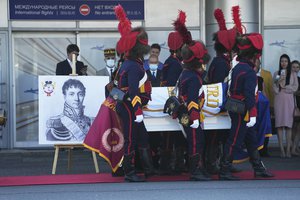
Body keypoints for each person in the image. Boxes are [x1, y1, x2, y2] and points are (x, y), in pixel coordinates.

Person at [219, 33, 273, 180]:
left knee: (251, 139)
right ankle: (224, 170)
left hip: (237, 107)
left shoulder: (238, 67)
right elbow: (249, 95)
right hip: (243, 110)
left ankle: (258, 167)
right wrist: (253, 113)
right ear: (254, 55)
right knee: (234, 139)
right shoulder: (248, 71)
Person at [114, 5, 156, 182]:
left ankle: (147, 169)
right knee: (131, 138)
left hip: (129, 106)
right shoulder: (132, 65)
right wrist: (138, 110)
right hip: (130, 107)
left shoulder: (132, 63)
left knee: (142, 136)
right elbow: (132, 91)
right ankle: (130, 173)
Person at [174, 10, 211, 181]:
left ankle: (198, 169)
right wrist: (195, 116)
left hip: (184, 113)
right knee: (196, 141)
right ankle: (195, 171)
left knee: (195, 140)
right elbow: (191, 100)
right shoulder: (193, 77)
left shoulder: (186, 73)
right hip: (190, 114)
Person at [204, 8, 240, 175]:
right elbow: (219, 86)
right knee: (215, 136)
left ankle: (219, 162)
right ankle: (212, 163)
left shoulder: (222, 61)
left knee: (221, 136)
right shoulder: (220, 63)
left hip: (220, 104)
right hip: (217, 104)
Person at [159, 15, 187, 175]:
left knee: (173, 135)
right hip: (175, 103)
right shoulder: (176, 64)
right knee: (173, 135)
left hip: (171, 102)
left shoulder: (171, 61)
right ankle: (171, 165)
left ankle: (172, 164)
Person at [273, 54, 298, 158]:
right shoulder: (276, 73)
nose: (284, 63)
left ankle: (288, 150)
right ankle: (282, 150)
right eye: (282, 61)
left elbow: (295, 87)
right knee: (279, 125)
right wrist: (278, 81)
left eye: (286, 61)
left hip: (289, 100)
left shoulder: (293, 74)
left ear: (288, 63)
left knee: (288, 125)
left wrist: (287, 88)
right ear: (280, 62)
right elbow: (274, 88)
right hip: (279, 99)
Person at [291, 60, 300, 156]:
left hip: (299, 105)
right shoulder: (288, 78)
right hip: (292, 104)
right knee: (293, 127)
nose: (295, 69)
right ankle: (293, 148)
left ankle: (295, 147)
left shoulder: (299, 79)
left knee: (298, 128)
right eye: (293, 67)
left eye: (297, 67)